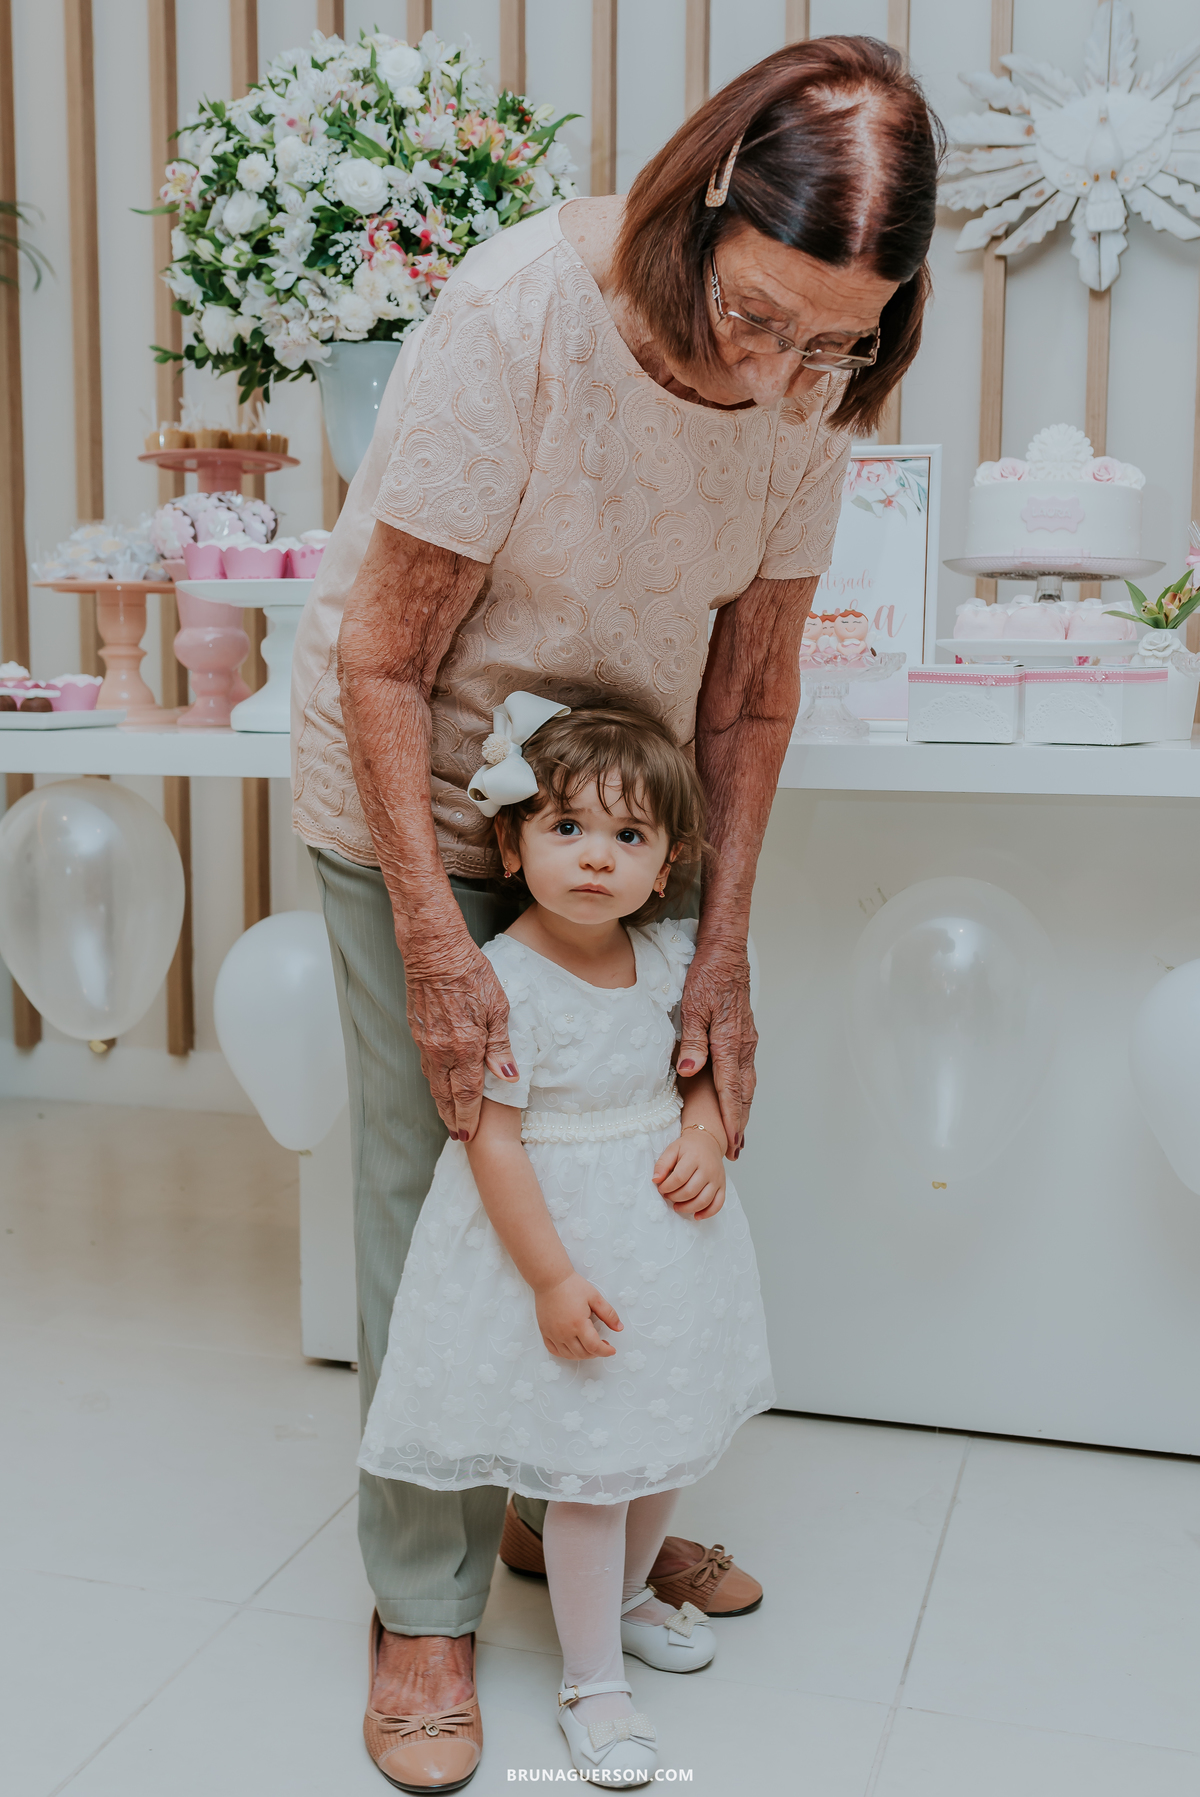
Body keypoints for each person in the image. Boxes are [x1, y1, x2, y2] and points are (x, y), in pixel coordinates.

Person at [291, 33, 940, 1791]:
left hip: (620, 809)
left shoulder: (816, 382)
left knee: (635, 1170)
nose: (791, 367)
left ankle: (565, 1509)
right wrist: (437, 940)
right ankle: (417, 1598)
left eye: (840, 337)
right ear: (707, 202)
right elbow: (382, 649)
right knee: (436, 1176)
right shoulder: (523, 318)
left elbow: (750, 686)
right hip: (418, 785)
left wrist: (722, 949)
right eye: (762, 316)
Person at [358, 702, 774, 1786]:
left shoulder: (674, 952)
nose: (598, 858)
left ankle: (628, 1599)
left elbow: (697, 1074)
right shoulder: (504, 984)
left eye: (629, 838)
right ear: (512, 841)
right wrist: (549, 1278)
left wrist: (702, 1136)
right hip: (570, 1256)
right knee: (593, 1473)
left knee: (665, 1439)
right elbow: (491, 1144)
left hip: (667, 1258)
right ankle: (591, 1686)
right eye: (568, 829)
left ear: (669, 861)